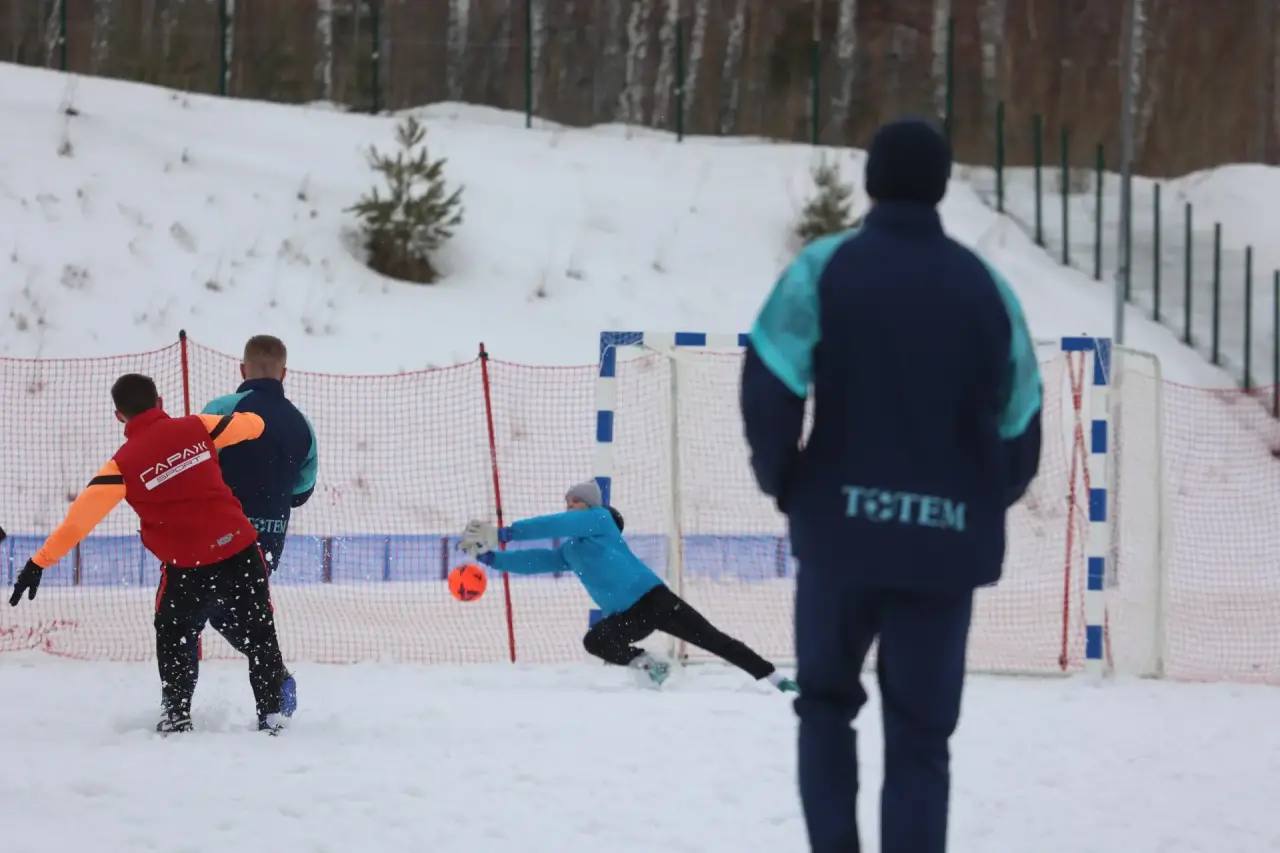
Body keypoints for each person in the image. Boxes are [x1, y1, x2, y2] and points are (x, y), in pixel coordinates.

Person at [740, 118, 1042, 852]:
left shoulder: (824, 268)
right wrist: (972, 503)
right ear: (943, 185)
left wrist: (788, 482)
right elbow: (1022, 419)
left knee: (825, 708)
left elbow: (770, 381)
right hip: (943, 553)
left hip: (839, 539)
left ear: (870, 180)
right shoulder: (986, 287)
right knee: (921, 736)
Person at [7, 374, 298, 735]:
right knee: (260, 633)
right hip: (240, 550)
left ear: (119, 416)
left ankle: (177, 714)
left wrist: (38, 563)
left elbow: (77, 522)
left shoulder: (122, 466)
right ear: (159, 401)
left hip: (187, 567)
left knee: (174, 633)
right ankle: (272, 716)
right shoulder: (197, 428)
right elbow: (254, 426)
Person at [458, 480, 798, 692]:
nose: (569, 506)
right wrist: (491, 558)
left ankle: (774, 679)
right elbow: (534, 562)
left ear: (590, 505)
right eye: (568, 502)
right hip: (627, 615)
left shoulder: (600, 519)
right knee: (596, 640)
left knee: (712, 638)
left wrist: (505, 533)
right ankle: (651, 666)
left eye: (574, 501)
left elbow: (558, 522)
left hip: (655, 599)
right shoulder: (570, 551)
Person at [202, 334, 317, 575]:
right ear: (283, 373)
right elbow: (301, 493)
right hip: (267, 545)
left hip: (216, 542)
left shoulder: (220, 410)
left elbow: (195, 470)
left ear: (243, 370)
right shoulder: (302, 424)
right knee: (251, 609)